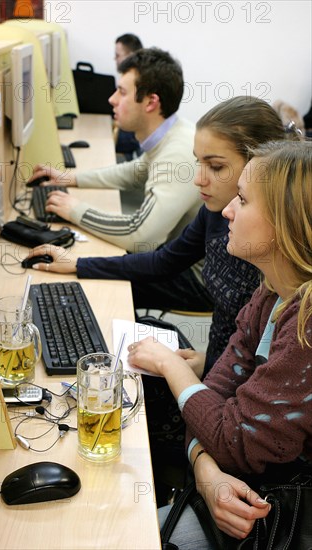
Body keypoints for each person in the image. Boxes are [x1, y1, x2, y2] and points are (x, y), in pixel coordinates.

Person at [126, 139, 312, 548]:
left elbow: (232, 438)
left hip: (276, 515)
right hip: (231, 482)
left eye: (242, 200)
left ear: (287, 223)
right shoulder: (271, 292)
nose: (227, 209)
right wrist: (205, 470)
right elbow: (213, 401)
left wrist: (169, 366)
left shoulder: (307, 324)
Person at [27, 96, 286, 369]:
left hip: (227, 387)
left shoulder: (273, 254)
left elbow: (263, 380)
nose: (199, 178)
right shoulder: (215, 212)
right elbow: (163, 261)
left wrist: (194, 368)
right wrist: (78, 264)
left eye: (216, 166)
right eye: (198, 162)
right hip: (218, 370)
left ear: (259, 168)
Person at [29, 47, 210, 312]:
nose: (112, 99)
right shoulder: (173, 133)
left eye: (122, 92)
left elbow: (141, 236)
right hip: (176, 258)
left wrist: (74, 209)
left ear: (150, 102)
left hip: (198, 281)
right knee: (85, 263)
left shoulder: (178, 153)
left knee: (86, 283)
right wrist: (70, 178)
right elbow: (134, 171)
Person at [114, 33, 143, 160]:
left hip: (130, 137)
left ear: (130, 56)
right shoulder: (130, 77)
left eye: (117, 55)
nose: (115, 59)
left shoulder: (136, 81)